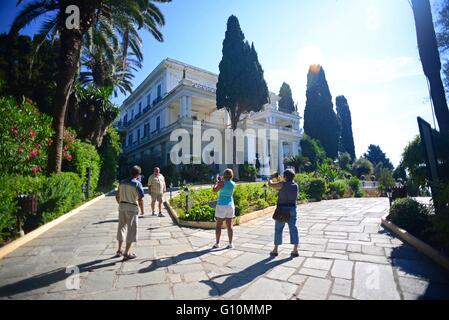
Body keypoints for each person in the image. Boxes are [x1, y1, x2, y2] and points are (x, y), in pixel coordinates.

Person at [115, 165, 145, 260]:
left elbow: (117, 196)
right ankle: (127, 252)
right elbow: (140, 199)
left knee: (121, 228)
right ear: (138, 174)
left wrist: (121, 203)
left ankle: (119, 249)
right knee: (131, 230)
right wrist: (142, 210)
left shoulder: (122, 182)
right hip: (132, 208)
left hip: (122, 206)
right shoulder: (137, 184)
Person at [268, 169, 300, 257]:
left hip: (282, 209)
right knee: (293, 228)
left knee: (278, 229)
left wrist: (271, 177)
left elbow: (270, 184)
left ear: (285, 176)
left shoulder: (282, 184)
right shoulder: (295, 185)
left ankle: (275, 249)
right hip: (292, 208)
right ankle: (295, 250)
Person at [212, 168, 236, 249]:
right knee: (229, 225)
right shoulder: (233, 183)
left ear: (224, 175)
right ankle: (230, 243)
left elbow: (214, 190)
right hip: (230, 205)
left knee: (218, 225)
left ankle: (217, 243)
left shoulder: (221, 183)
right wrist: (221, 181)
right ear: (232, 175)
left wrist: (216, 183)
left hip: (221, 205)